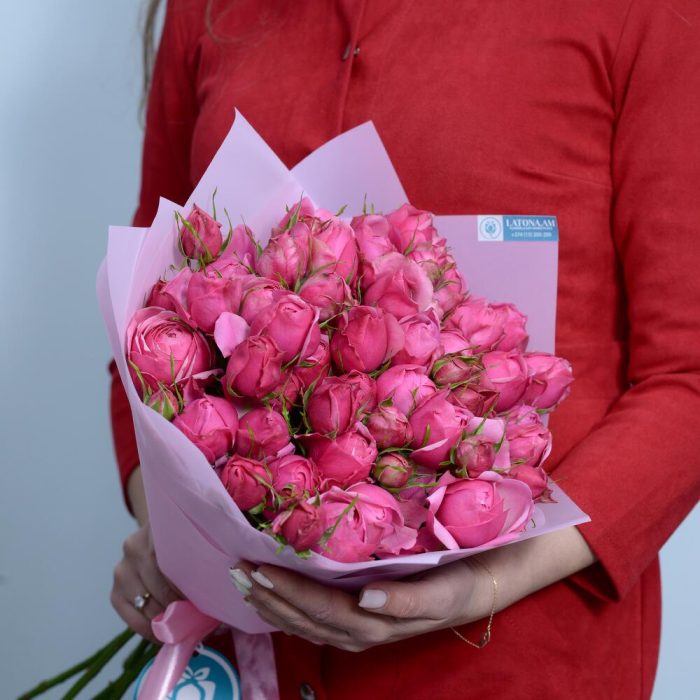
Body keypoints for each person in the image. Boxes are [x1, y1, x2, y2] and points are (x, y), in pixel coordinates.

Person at [109, 1, 700, 698]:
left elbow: (686, 377)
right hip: (243, 658)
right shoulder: (205, 13)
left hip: (508, 659)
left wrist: (485, 582)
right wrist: (175, 531)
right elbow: (147, 302)